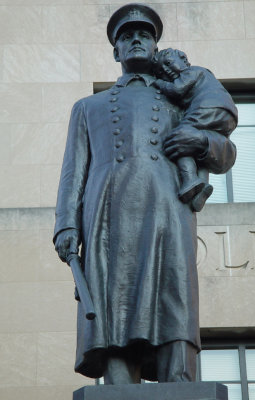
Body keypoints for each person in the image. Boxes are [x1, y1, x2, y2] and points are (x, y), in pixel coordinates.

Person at [54, 3, 237, 384]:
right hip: (107, 213)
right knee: (111, 301)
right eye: (126, 36)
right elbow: (73, 172)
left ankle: (180, 380)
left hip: (170, 207)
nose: (136, 39)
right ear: (116, 51)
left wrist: (200, 140)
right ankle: (119, 383)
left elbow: (226, 151)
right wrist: (65, 226)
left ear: (155, 47)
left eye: (144, 34)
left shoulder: (179, 97)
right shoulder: (89, 107)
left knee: (175, 293)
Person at [153, 48, 238, 211]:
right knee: (197, 155)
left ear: (184, 60)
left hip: (209, 107)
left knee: (181, 136)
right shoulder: (202, 76)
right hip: (225, 114)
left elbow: (176, 89)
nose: (166, 71)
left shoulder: (191, 72)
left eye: (169, 64)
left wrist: (158, 82)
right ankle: (201, 188)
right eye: (161, 71)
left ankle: (190, 179)